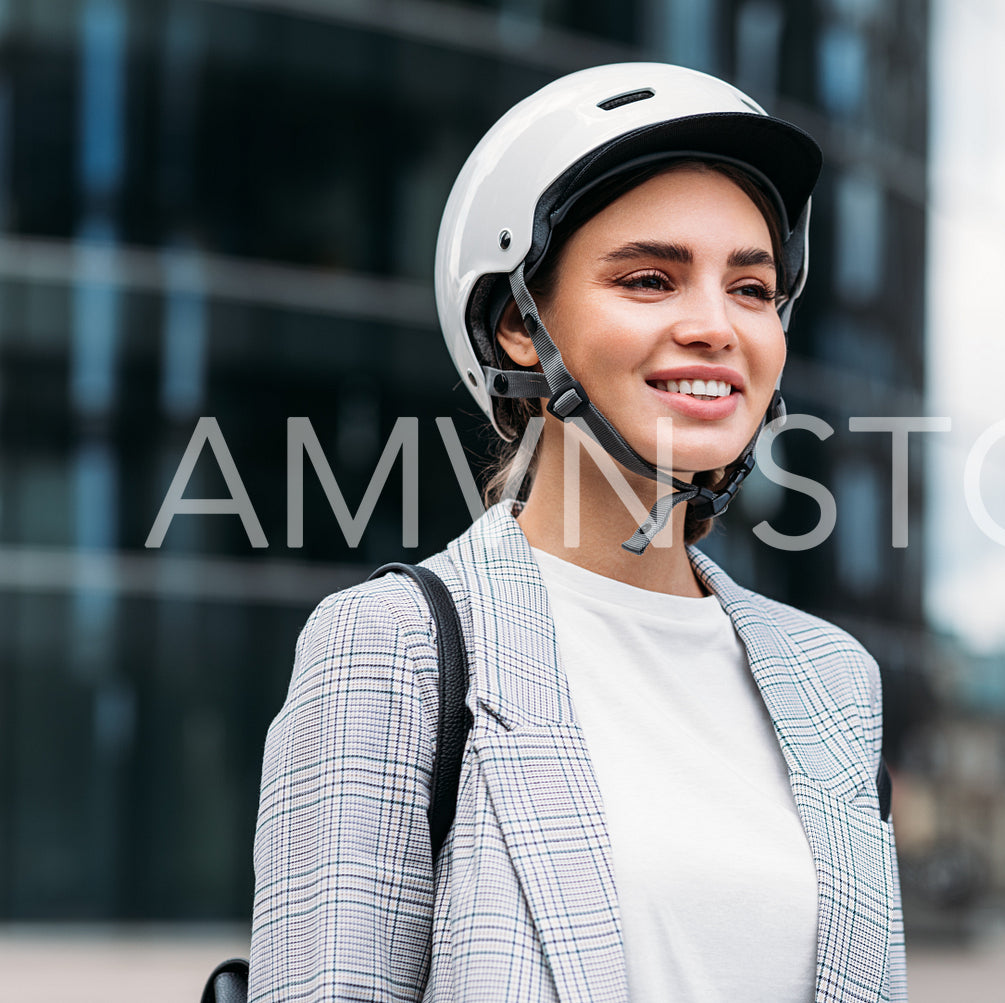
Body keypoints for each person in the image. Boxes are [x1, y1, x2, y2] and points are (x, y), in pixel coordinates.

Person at [250, 62, 905, 1002]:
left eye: (752, 289)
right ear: (520, 325)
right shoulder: (394, 649)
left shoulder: (832, 678)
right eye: (650, 279)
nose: (717, 326)